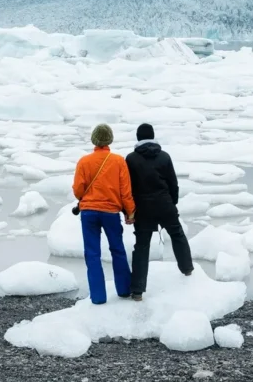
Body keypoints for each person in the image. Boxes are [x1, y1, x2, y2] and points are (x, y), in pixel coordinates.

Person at [125, 123, 193, 301]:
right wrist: (172, 202)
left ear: (138, 138)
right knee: (177, 234)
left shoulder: (131, 159)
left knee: (142, 246)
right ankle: (187, 270)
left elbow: (128, 187)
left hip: (143, 207)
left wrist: (129, 210)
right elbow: (173, 183)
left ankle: (138, 291)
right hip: (165, 204)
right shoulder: (164, 156)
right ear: (153, 136)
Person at [72, 123, 136, 304]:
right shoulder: (118, 161)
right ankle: (124, 290)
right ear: (110, 140)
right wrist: (130, 212)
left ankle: (98, 297)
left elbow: (78, 190)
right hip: (111, 213)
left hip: (89, 213)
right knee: (117, 250)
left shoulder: (84, 161)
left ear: (94, 139)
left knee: (92, 254)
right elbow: (125, 191)